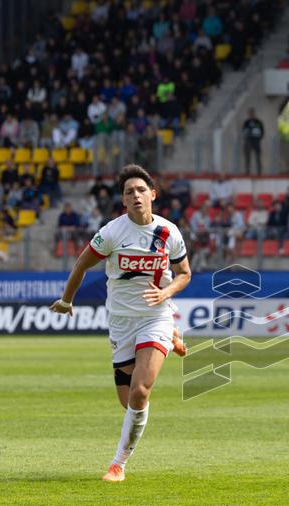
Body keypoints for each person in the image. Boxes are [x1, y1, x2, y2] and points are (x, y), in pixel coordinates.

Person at [50, 164, 191, 482]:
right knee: (127, 402)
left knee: (141, 392)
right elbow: (81, 264)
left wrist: (166, 292)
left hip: (155, 316)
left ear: (153, 194)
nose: (136, 195)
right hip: (121, 323)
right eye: (129, 192)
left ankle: (118, 465)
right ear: (123, 201)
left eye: (142, 190)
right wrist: (67, 300)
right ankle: (172, 336)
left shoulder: (169, 233)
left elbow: (185, 274)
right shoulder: (112, 233)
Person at [241, 108, 264, 175]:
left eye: (252, 113)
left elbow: (262, 132)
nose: (251, 114)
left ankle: (259, 171)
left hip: (256, 141)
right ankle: (247, 171)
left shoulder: (258, 122)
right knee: (247, 157)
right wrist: (246, 137)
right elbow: (243, 131)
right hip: (248, 141)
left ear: (254, 113)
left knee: (258, 157)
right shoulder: (246, 122)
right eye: (250, 113)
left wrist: (258, 138)